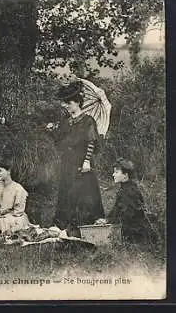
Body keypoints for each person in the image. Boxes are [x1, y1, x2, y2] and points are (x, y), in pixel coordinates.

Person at [46, 80, 105, 238]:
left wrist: (86, 161)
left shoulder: (88, 121)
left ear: (78, 103)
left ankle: (85, 222)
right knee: (66, 190)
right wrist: (52, 130)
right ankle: (63, 222)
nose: (66, 106)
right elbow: (60, 140)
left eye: (69, 103)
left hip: (82, 162)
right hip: (68, 162)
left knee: (84, 191)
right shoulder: (66, 121)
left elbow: (91, 141)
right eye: (64, 103)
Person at [95, 158, 156, 245]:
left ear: (125, 175)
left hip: (135, 233)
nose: (113, 175)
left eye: (116, 172)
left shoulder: (130, 192)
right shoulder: (124, 189)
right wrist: (106, 220)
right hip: (129, 229)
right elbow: (117, 210)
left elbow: (128, 215)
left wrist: (109, 222)